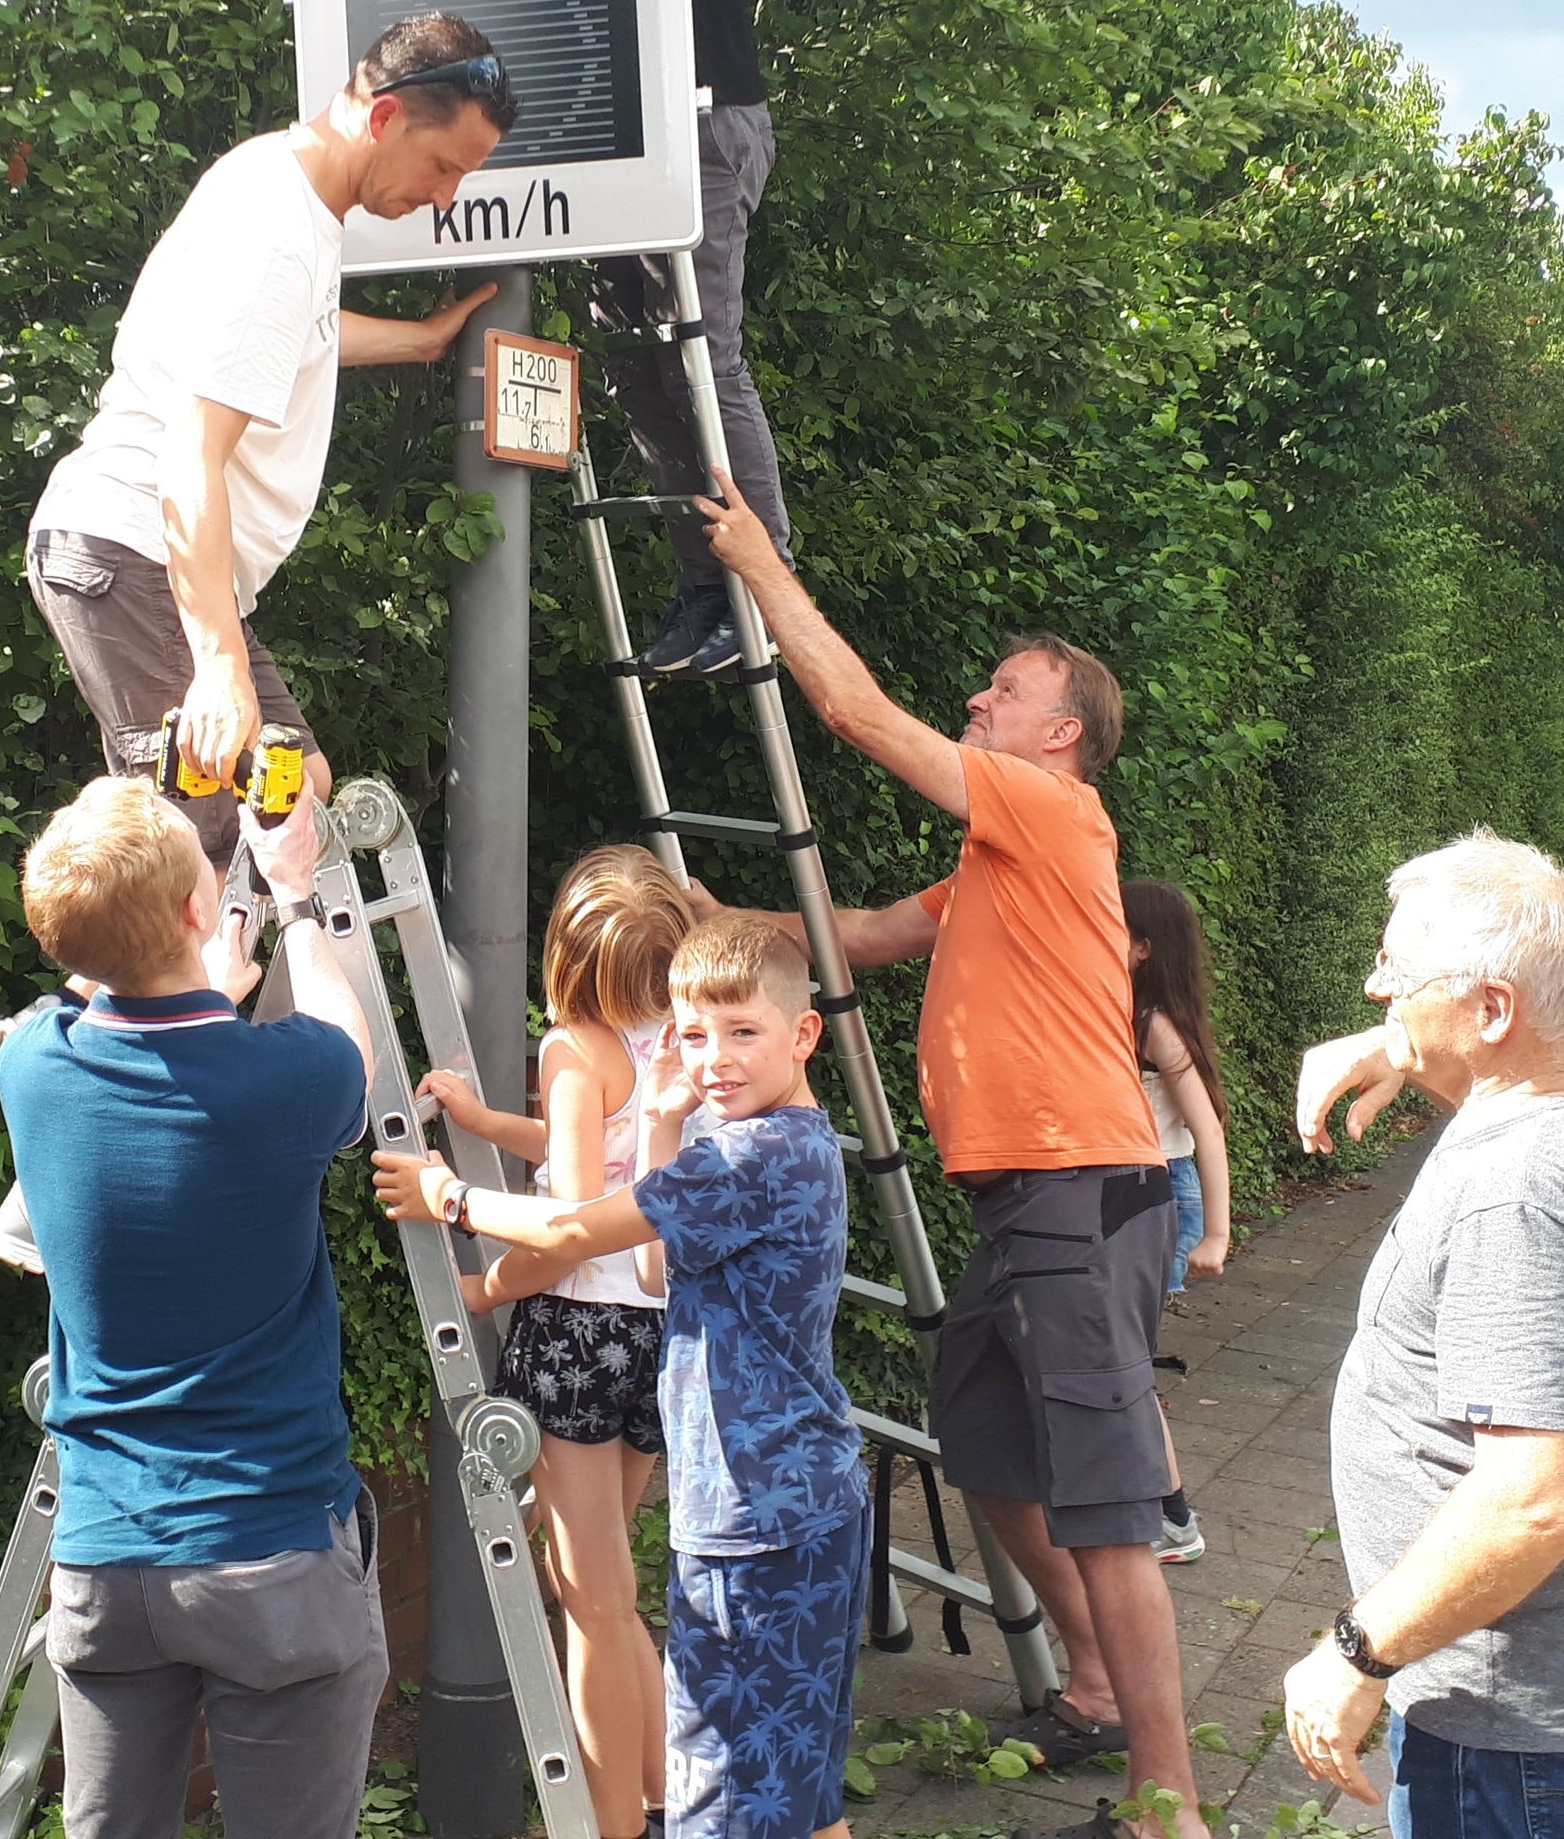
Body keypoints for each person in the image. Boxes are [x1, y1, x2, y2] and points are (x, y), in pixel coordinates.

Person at [685, 480, 1206, 1838]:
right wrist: (695, 907)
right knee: (982, 1442)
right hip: (1028, 1199)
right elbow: (852, 938)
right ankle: (1090, 1685)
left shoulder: (1049, 808)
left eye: (1003, 688)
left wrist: (757, 567)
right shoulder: (998, 858)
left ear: (1062, 730)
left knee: (1108, 1511)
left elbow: (858, 717)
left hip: (1081, 1195)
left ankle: (1171, 1805)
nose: (980, 701)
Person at [377, 911, 867, 1839]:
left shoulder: (748, 1160)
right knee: (798, 1790)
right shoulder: (794, 1138)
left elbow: (568, 1231)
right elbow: (653, 1273)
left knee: (726, 1800)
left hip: (752, 1518)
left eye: (741, 1033)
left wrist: (451, 1197)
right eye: (691, 1036)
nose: (713, 1057)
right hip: (811, 1498)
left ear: (804, 1034)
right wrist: (662, 1122)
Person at [1285, 831, 1564, 1833]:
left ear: (1491, 1009)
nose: (1376, 985)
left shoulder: (1522, 1194)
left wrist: (1356, 1653)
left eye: (1398, 973)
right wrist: (1396, 1045)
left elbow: (1534, 1504)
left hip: (1516, 1729)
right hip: (1563, 1709)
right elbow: (1535, 1034)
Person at [27, 10, 516, 866]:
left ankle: (140, 988)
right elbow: (191, 450)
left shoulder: (288, 194)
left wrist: (423, 339)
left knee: (300, 787)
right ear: (385, 114)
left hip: (154, 558)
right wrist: (218, 665)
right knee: (203, 855)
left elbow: (302, 336)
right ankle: (110, 1003)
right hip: (138, 546)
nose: (447, 197)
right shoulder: (278, 234)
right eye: (445, 167)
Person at [0, 775, 386, 1839]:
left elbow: (110, 1002)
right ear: (199, 911)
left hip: (104, 1565)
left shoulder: (32, 1065)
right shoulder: (283, 1083)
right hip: (269, 1554)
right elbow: (351, 1054)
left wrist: (195, 971)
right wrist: (300, 896)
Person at [419, 846, 696, 1839]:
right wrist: (490, 1122)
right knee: (608, 1581)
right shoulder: (678, 1037)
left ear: (564, 955)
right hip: (658, 1331)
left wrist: (485, 1283)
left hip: (578, 1332)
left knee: (591, 1601)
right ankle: (666, 1794)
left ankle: (611, 1820)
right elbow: (600, 1147)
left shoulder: (576, 1047)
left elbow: (571, 1224)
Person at [592, 0, 793, 677]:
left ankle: (764, 587)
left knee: (702, 358)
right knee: (635, 367)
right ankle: (706, 588)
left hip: (706, 116)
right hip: (629, 130)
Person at [1122, 878, 1232, 1567]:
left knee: (1125, 1367)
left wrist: (1217, 1231)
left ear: (1141, 946)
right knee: (1120, 1363)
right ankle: (1155, 1509)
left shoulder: (1154, 1024)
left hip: (1160, 1196)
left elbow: (1206, 1130)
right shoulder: (1120, 1009)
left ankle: (1173, 1519)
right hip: (1132, 1193)